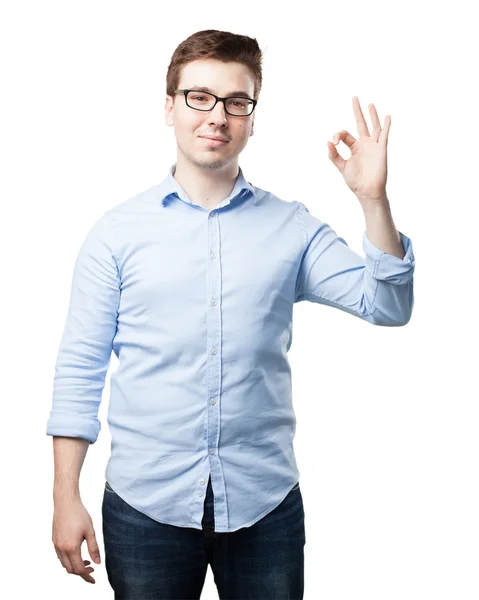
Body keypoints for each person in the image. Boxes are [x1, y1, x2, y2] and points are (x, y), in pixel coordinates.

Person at [47, 28, 415, 600]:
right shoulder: (115, 235)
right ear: (169, 107)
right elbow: (80, 369)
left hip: (264, 506)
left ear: (251, 117)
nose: (217, 116)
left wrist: (372, 200)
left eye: (236, 102)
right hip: (146, 507)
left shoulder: (291, 228)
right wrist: (64, 495)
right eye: (199, 97)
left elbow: (388, 305)